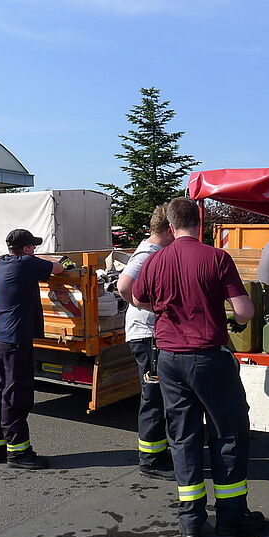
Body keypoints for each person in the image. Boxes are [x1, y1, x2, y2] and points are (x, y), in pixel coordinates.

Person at [132, 197, 264, 537]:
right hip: (208, 358)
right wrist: (232, 318)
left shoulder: (156, 259)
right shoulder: (217, 258)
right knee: (228, 433)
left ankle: (191, 520)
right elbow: (244, 311)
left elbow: (137, 298)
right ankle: (231, 518)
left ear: (171, 226)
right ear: (200, 223)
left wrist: (166, 306)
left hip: (169, 359)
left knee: (183, 436)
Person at [0, 228, 64, 470]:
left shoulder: (2, 262)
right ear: (27, 249)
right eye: (33, 247)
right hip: (15, 341)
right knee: (16, 395)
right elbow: (59, 268)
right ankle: (19, 452)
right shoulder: (27, 263)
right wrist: (48, 259)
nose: (35, 250)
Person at [117, 205, 175, 480]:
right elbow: (124, 286)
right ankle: (150, 460)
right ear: (170, 229)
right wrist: (153, 307)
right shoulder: (148, 254)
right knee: (153, 396)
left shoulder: (155, 251)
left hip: (151, 333)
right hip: (146, 334)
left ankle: (158, 452)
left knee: (159, 395)